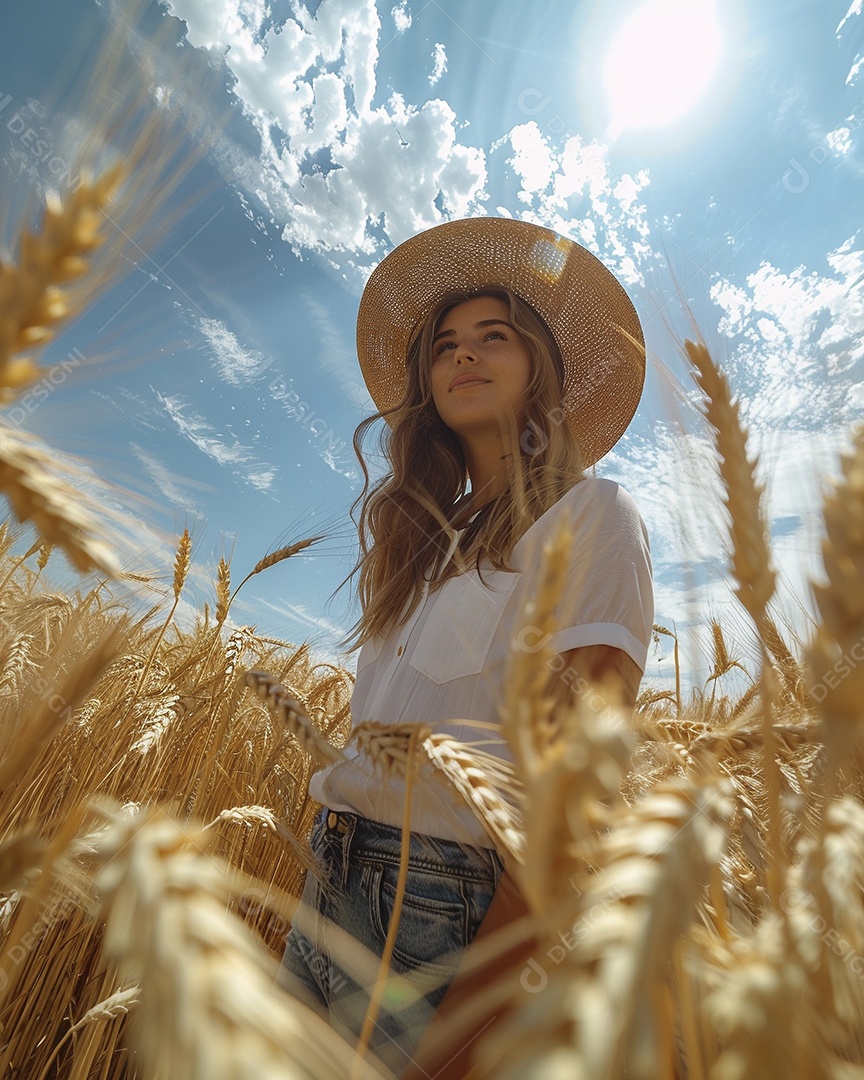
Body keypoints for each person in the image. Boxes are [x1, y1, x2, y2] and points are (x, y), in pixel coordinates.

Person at [277, 217, 654, 1077]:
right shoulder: (421, 547)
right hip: (331, 871)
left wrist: (467, 1031)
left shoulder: (593, 519)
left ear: (541, 372)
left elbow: (570, 806)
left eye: (495, 337)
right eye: (445, 344)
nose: (463, 356)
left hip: (445, 910)